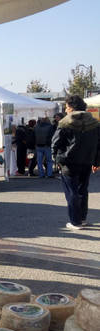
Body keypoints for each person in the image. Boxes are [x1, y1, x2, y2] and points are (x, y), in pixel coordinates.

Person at [51, 95, 100, 230]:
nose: (66, 110)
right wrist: (96, 161)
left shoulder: (65, 122)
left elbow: (55, 142)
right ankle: (82, 218)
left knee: (72, 192)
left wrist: (56, 159)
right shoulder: (94, 122)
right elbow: (98, 144)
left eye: (67, 107)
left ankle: (75, 221)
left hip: (69, 162)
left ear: (72, 108)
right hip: (87, 161)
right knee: (83, 190)